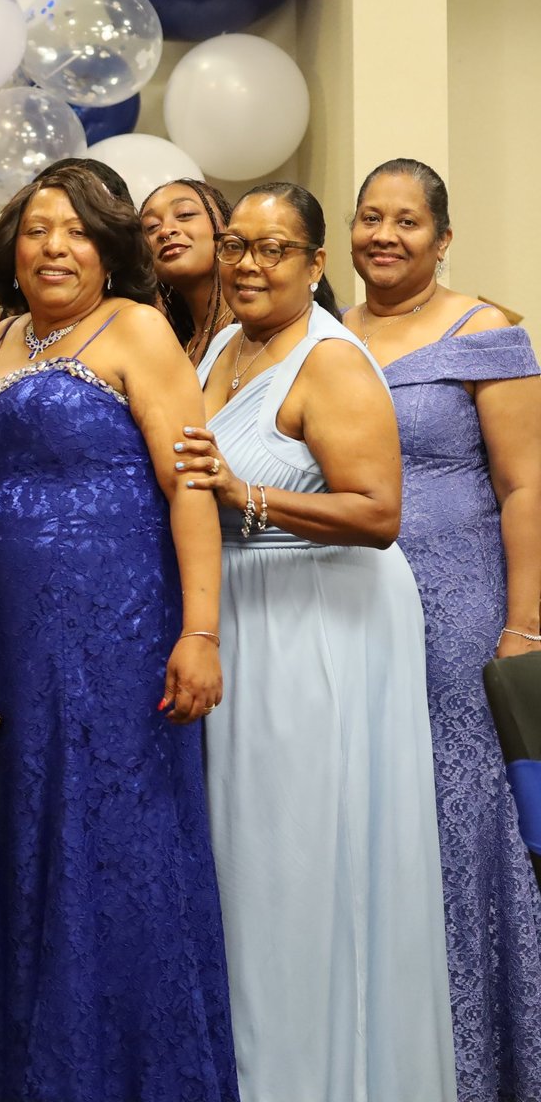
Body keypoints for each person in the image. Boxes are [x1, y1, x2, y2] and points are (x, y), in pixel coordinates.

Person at [0, 167, 236, 1102]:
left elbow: (191, 489)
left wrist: (201, 631)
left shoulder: (138, 332)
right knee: (6, 844)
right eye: (35, 230)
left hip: (111, 634)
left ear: (109, 248)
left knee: (109, 841)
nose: (53, 246)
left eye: (75, 231)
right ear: (9, 249)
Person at [178, 180, 460, 1102]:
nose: (249, 265)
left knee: (300, 863)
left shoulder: (331, 361)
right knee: (244, 867)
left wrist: (243, 496)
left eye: (273, 250)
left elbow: (379, 513)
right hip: (245, 622)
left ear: (314, 263)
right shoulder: (222, 343)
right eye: (237, 248)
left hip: (320, 628)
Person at [342, 158, 541, 1102]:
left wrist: (524, 628)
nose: (385, 235)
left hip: (457, 613)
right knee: (373, 818)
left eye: (407, 222)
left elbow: (527, 486)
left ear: (444, 238)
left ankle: (477, 1064)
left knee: (458, 825)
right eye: (370, 218)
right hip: (342, 613)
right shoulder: (326, 336)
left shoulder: (486, 331)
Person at [141, 178, 236, 363]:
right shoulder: (176, 349)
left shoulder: (258, 327)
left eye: (185, 214)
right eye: (151, 227)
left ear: (225, 227)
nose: (165, 231)